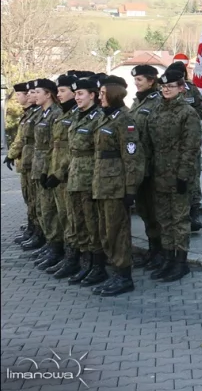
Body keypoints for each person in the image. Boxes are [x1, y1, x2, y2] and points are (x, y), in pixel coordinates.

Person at [142, 69, 202, 282]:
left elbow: (191, 147)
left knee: (179, 220)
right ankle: (168, 258)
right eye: (163, 86)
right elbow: (149, 143)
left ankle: (180, 262)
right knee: (164, 219)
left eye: (171, 86)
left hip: (179, 174)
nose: (166, 89)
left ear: (181, 88)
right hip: (159, 173)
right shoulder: (156, 110)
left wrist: (183, 176)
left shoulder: (188, 113)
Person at [91, 75, 144, 297]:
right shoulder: (106, 118)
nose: (100, 97)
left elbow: (132, 157)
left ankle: (124, 275)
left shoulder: (124, 120)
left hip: (116, 185)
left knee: (117, 231)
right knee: (105, 231)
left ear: (112, 94)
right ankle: (115, 271)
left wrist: (130, 188)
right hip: (102, 184)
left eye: (103, 93)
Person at [63, 77, 107, 286]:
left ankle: (98, 266)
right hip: (75, 176)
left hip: (90, 177)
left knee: (93, 223)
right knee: (78, 221)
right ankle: (84, 262)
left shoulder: (98, 118)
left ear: (93, 95)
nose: (77, 97)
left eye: (81, 94)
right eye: (76, 94)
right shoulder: (78, 117)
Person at [163, 61, 202, 232]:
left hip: (189, 141)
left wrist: (187, 115)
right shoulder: (164, 91)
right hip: (169, 146)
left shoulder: (192, 90)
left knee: (192, 178)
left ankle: (194, 213)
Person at [43, 74, 79, 277]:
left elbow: (72, 150)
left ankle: (73, 258)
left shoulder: (75, 114)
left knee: (70, 217)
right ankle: (67, 255)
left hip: (68, 173)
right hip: (57, 171)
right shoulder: (64, 114)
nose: (59, 94)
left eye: (63, 90)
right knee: (62, 215)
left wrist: (59, 172)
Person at [128, 64, 164, 268]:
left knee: (155, 210)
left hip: (153, 165)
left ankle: (160, 251)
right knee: (144, 209)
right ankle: (152, 249)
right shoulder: (137, 102)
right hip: (139, 165)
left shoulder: (158, 101)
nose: (136, 83)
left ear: (151, 81)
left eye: (140, 80)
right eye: (135, 80)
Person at [31, 78, 65, 271]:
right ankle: (51, 244)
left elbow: (56, 146)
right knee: (44, 208)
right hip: (39, 164)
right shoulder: (41, 113)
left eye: (38, 92)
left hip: (51, 165)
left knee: (52, 210)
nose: (34, 95)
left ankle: (56, 247)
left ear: (48, 94)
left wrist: (51, 170)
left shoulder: (56, 114)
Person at [9, 82, 39, 246]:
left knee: (35, 200)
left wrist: (11, 154)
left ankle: (36, 231)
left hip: (33, 161)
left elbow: (22, 139)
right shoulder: (29, 114)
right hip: (28, 161)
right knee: (30, 198)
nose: (18, 98)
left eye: (19, 95)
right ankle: (33, 228)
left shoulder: (36, 114)